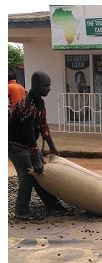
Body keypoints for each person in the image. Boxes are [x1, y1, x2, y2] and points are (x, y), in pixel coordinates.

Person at [8, 71, 66, 219]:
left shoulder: (39, 102)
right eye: (46, 86)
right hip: (16, 146)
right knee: (29, 175)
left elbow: (43, 125)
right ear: (36, 85)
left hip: (29, 145)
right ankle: (21, 212)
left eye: (49, 85)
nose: (49, 89)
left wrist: (52, 146)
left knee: (42, 173)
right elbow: (28, 134)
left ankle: (52, 205)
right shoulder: (26, 106)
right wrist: (35, 158)